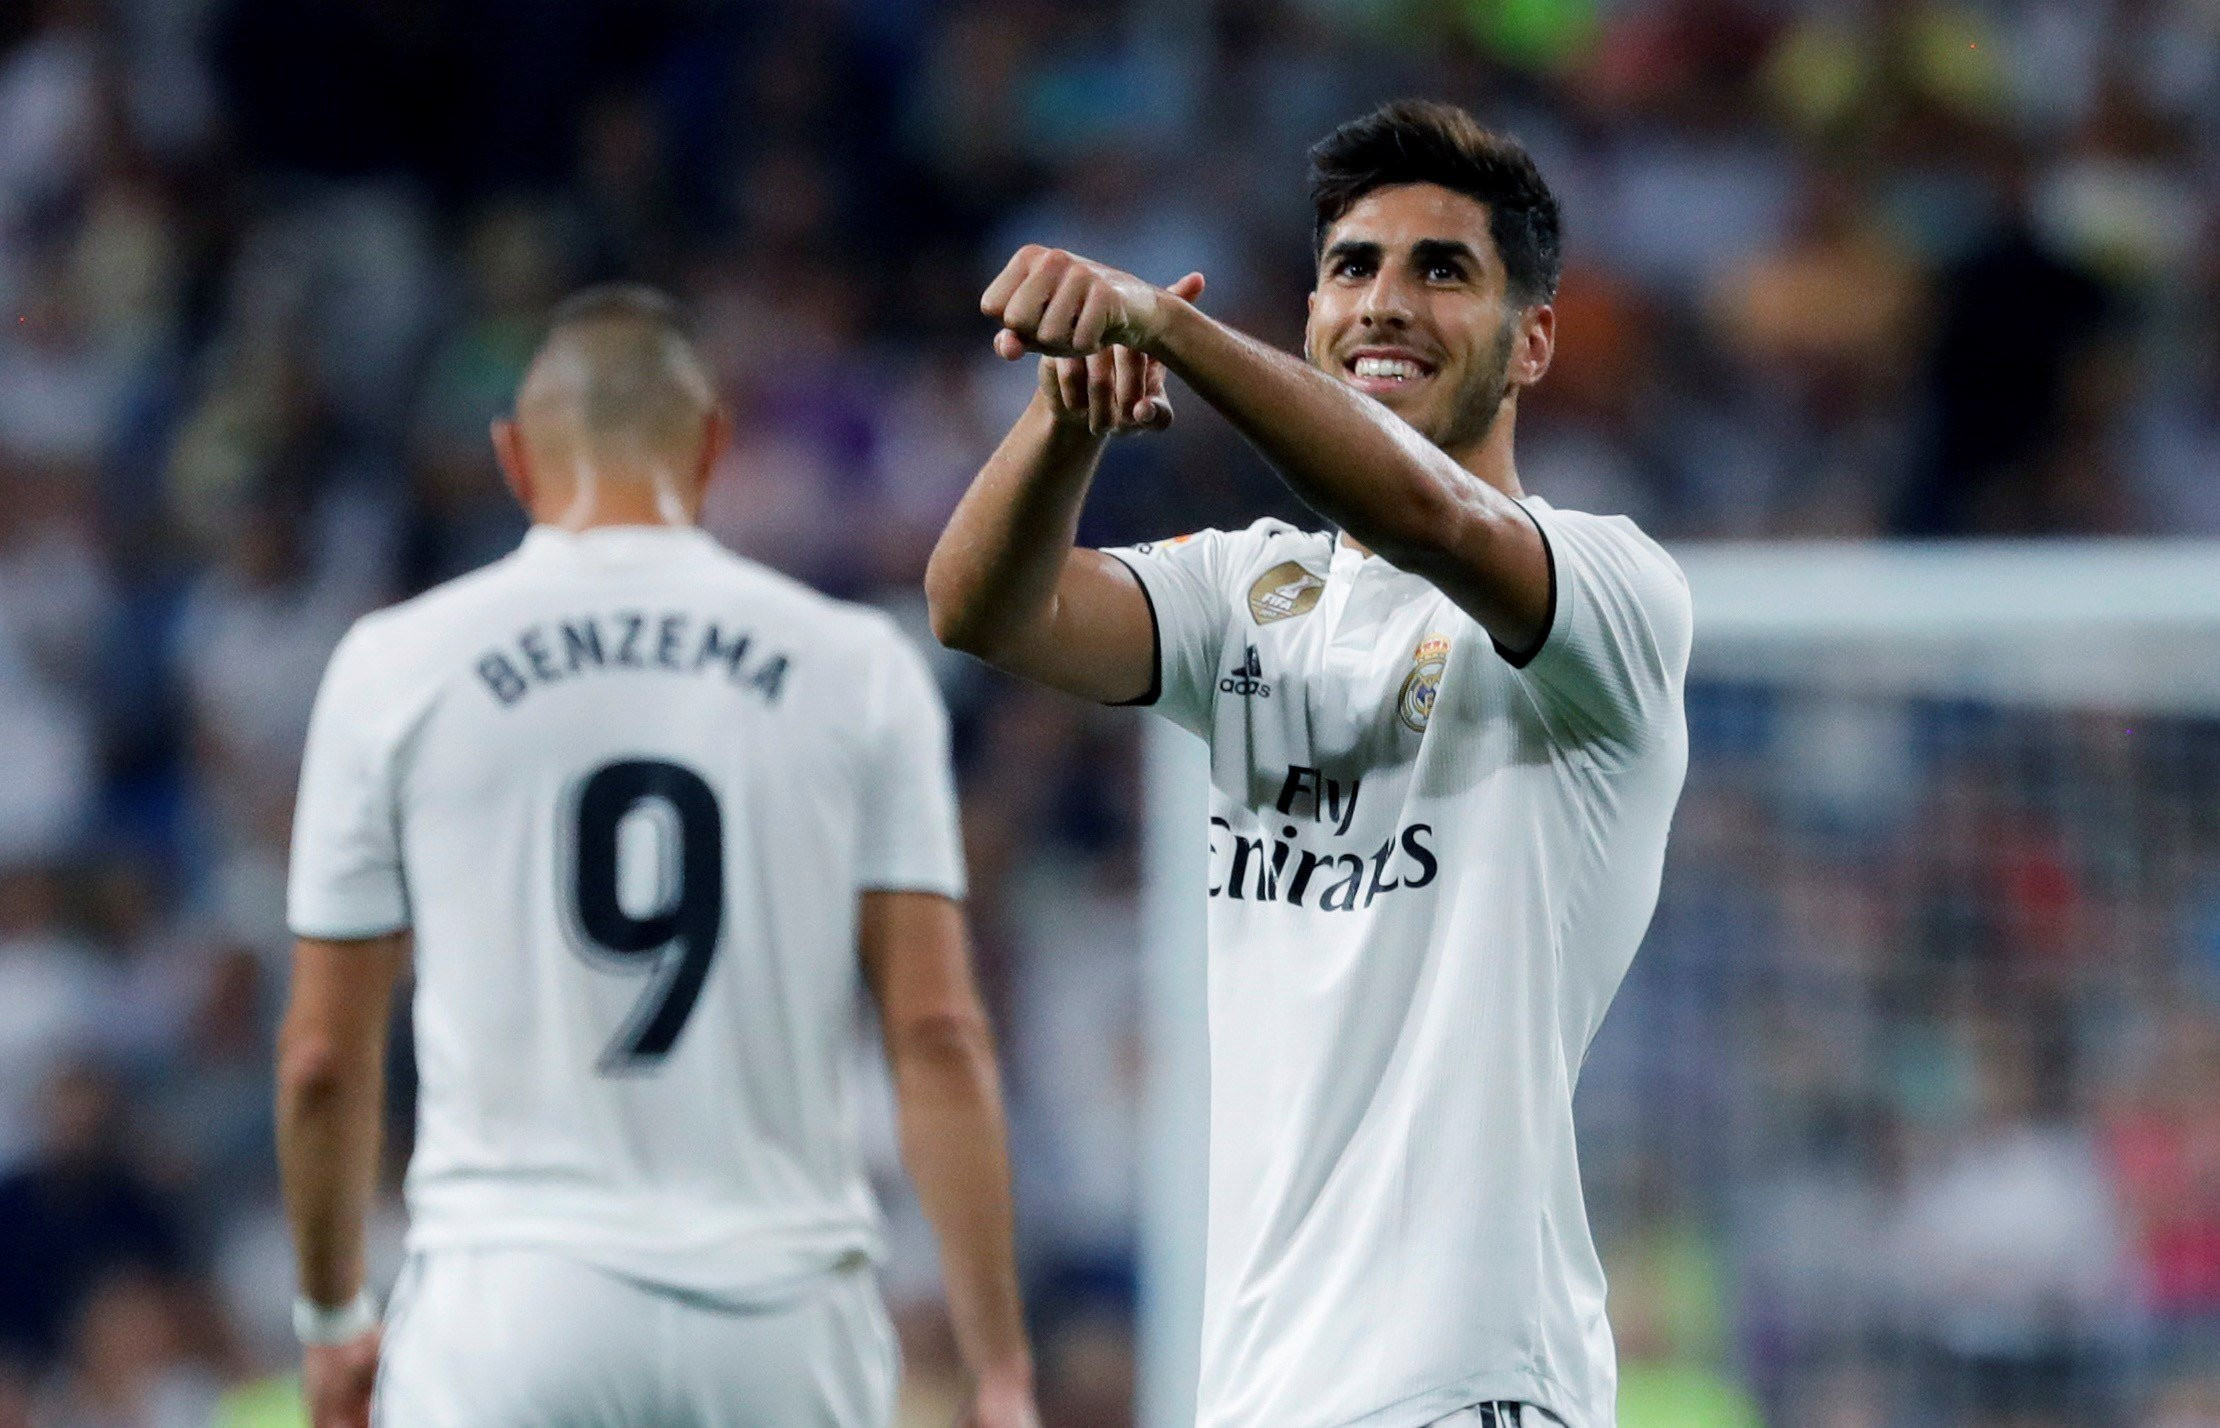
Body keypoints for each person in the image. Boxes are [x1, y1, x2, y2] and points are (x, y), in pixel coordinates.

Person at [927, 100, 1692, 1428]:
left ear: (1535, 343)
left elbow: (1427, 509)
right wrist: (1067, 420)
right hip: (1264, 1389)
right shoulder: (1249, 591)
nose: (1385, 304)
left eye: (1442, 271)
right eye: (1354, 268)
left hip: (1475, 1386)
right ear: (1312, 313)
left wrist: (1166, 326)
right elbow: (985, 610)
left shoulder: (1614, 594)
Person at [276, 285, 1039, 1428]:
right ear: (714, 450)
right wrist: (996, 1362)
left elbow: (325, 1060)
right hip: (783, 1315)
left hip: (507, 1302)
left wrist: (336, 1320)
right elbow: (936, 1034)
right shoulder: (858, 664)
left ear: (515, 460)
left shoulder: (396, 665)